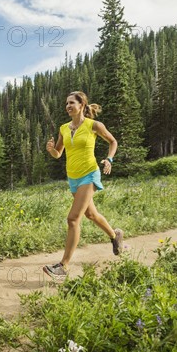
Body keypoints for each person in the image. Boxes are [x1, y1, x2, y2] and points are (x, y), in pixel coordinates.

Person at [43, 91, 124, 280]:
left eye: (72, 102)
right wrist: (51, 150)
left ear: (81, 105)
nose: (68, 106)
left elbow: (113, 141)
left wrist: (109, 159)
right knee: (91, 214)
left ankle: (63, 266)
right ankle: (115, 235)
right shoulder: (64, 128)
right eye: (66, 103)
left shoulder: (93, 125)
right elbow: (58, 154)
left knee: (73, 219)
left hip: (89, 174)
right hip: (73, 178)